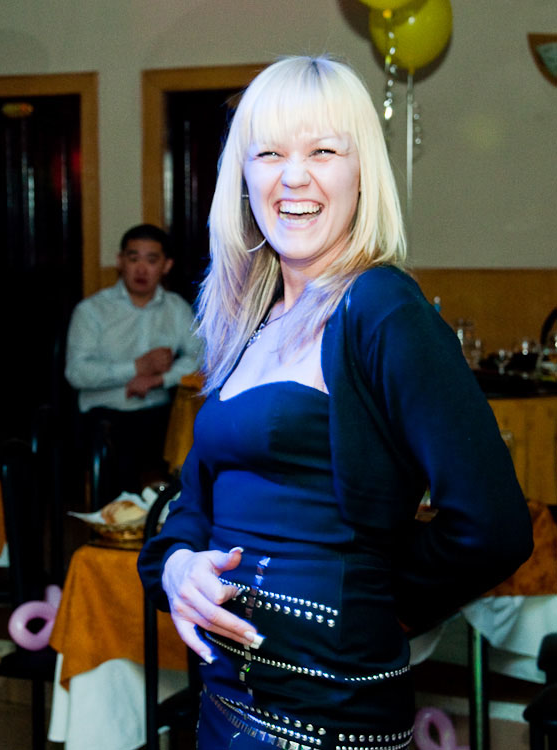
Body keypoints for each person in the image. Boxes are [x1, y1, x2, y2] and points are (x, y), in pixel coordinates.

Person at [137, 55, 533, 748]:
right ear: (244, 177)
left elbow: (492, 525)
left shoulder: (381, 307)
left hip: (329, 719)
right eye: (270, 153)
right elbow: (193, 500)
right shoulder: (247, 322)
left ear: (362, 173)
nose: (294, 177)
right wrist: (176, 568)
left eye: (323, 151)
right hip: (224, 704)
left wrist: (377, 599)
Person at [65, 223, 201, 495]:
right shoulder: (92, 310)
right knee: (120, 451)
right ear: (120, 261)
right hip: (104, 415)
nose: (141, 269)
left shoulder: (176, 308)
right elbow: (77, 372)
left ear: (166, 265)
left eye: (151, 260)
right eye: (133, 258)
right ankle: (118, 515)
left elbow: (201, 358)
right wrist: (137, 368)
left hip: (159, 414)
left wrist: (158, 379)